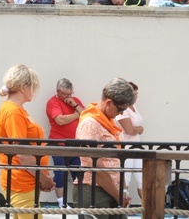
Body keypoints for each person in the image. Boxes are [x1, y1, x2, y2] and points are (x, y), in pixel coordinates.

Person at [0, 64, 54, 219]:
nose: (34, 91)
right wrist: (44, 178)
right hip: (22, 182)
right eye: (33, 87)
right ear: (23, 87)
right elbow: (22, 154)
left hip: (25, 181)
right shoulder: (13, 112)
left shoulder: (14, 110)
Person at [75, 78, 135, 217]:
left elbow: (117, 163)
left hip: (112, 193)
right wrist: (118, 195)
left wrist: (123, 192)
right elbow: (95, 165)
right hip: (94, 191)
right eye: (121, 109)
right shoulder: (90, 123)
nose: (120, 114)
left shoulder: (107, 123)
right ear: (108, 103)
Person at [45, 78, 85, 208]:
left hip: (75, 145)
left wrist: (75, 106)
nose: (69, 97)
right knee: (60, 173)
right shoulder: (53, 102)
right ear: (58, 91)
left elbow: (86, 115)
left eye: (70, 93)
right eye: (66, 94)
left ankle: (81, 202)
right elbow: (60, 120)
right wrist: (76, 115)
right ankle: (62, 203)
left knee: (79, 174)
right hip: (58, 144)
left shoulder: (75, 101)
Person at [115, 81, 144, 202]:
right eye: (134, 93)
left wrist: (136, 130)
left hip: (136, 146)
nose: (136, 96)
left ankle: (147, 206)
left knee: (141, 177)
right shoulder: (123, 109)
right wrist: (140, 129)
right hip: (126, 147)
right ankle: (123, 204)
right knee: (125, 178)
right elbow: (129, 130)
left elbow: (133, 129)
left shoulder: (133, 107)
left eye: (137, 93)